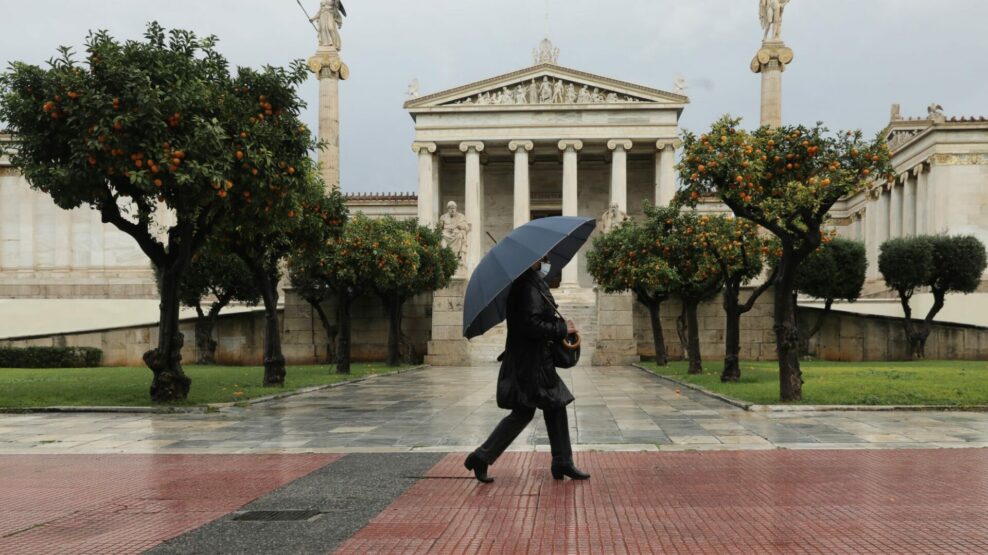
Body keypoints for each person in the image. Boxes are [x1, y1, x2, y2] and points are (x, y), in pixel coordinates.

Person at [464, 256, 590, 483]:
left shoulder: (529, 283)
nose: (546, 261)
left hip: (533, 360)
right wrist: (562, 328)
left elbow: (534, 320)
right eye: (543, 258)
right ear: (532, 260)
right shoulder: (525, 286)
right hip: (532, 363)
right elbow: (531, 325)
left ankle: (561, 461)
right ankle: (482, 457)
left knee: (552, 406)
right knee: (532, 409)